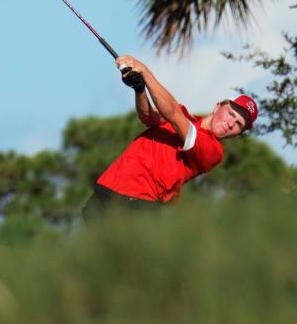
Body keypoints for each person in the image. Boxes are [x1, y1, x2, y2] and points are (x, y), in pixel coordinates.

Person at [82, 54, 259, 220]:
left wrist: (145, 71)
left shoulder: (212, 151)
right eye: (231, 114)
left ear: (238, 134)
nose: (231, 123)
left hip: (136, 207)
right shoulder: (183, 115)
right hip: (106, 189)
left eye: (238, 125)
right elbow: (148, 116)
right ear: (217, 106)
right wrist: (140, 89)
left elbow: (172, 114)